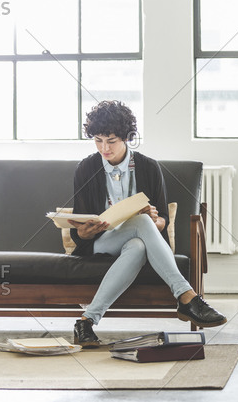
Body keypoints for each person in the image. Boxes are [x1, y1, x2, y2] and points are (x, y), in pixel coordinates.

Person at [68, 100, 226, 348]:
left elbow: (162, 220)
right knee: (141, 222)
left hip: (138, 240)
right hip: (101, 243)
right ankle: (187, 297)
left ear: (127, 137)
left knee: (139, 244)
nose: (104, 148)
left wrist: (156, 220)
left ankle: (86, 322)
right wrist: (84, 232)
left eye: (111, 141)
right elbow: (78, 230)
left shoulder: (149, 167)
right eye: (98, 140)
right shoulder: (86, 168)